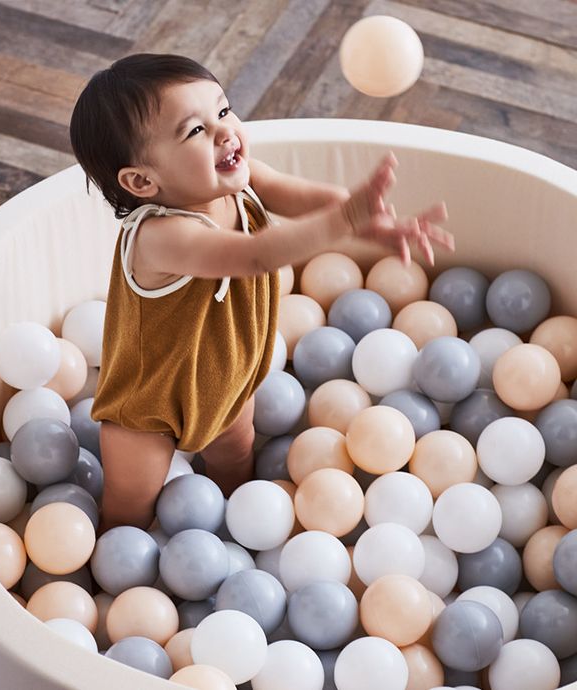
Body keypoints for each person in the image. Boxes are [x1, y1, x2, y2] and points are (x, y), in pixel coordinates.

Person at [70, 53, 453, 531]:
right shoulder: (160, 237)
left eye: (224, 111)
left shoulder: (240, 181)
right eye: (196, 131)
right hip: (149, 406)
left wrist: (368, 221)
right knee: (129, 508)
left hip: (225, 377)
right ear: (143, 181)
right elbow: (256, 256)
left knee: (237, 456)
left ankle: (243, 535)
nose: (225, 132)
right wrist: (344, 221)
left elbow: (310, 196)